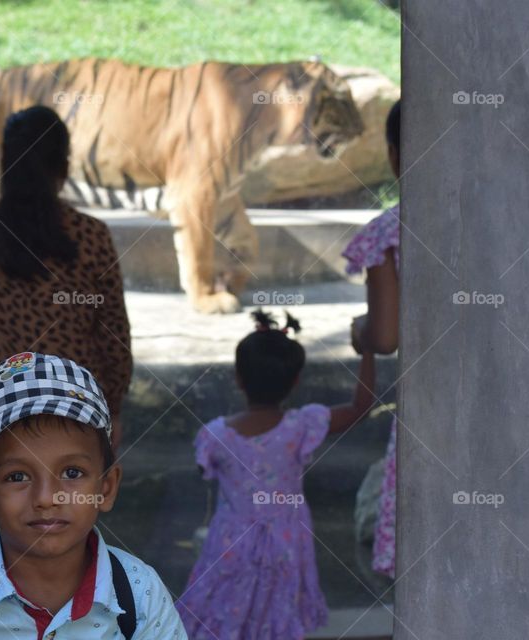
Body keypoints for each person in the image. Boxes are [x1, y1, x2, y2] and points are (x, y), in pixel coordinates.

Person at [0, 106, 133, 524]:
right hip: (73, 421)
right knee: (65, 558)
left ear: (5, 164)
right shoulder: (92, 238)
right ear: (63, 165)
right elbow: (114, 341)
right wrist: (110, 415)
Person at [0, 352, 187, 639]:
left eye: (72, 473)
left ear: (106, 488)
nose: (47, 498)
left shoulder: (139, 593)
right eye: (17, 477)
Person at [176, 310, 376, 639]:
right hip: (287, 541)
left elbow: (204, 470)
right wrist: (367, 348)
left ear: (238, 377)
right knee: (274, 620)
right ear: (295, 381)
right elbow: (361, 407)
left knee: (220, 616)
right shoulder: (302, 426)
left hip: (230, 543)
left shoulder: (214, 437)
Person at [344, 99, 401, 578]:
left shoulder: (387, 234)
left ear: (394, 154)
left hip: (434, 407)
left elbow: (385, 336)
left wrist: (360, 331)